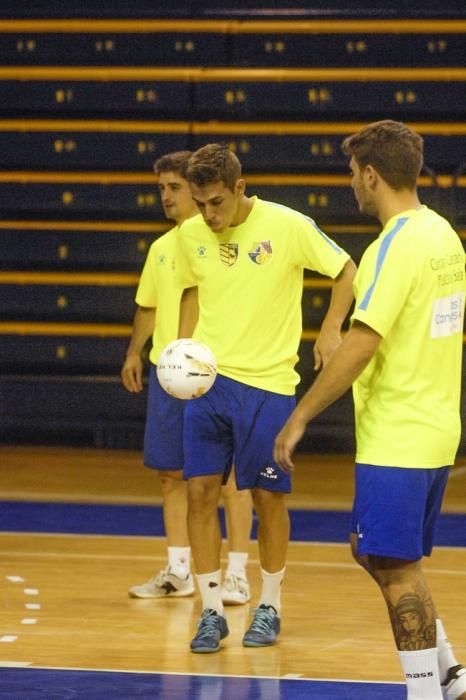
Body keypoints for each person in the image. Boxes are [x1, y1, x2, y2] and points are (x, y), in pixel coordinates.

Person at [274, 120, 466, 700]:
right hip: (435, 428)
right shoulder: (444, 236)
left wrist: (300, 415)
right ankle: (450, 669)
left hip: (399, 435)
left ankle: (425, 692)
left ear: (372, 174)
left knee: (396, 568)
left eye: (353, 173)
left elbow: (364, 342)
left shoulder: (390, 247)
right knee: (372, 551)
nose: (351, 183)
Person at [175, 143, 357, 653]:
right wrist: (182, 351)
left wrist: (330, 329)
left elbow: (347, 269)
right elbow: (193, 290)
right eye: (199, 202)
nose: (207, 213)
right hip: (209, 385)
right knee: (198, 496)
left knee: (268, 498)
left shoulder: (287, 225)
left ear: (239, 188)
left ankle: (269, 604)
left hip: (270, 386)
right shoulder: (192, 234)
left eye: (215, 202)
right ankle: (211, 613)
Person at [121, 150, 253, 605]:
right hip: (168, 372)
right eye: (161, 189)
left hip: (216, 374)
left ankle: (237, 573)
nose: (166, 197)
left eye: (174, 188)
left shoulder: (221, 241)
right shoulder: (162, 248)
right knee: (170, 475)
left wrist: (191, 353)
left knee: (232, 479)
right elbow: (148, 304)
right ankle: (179, 570)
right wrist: (135, 353)